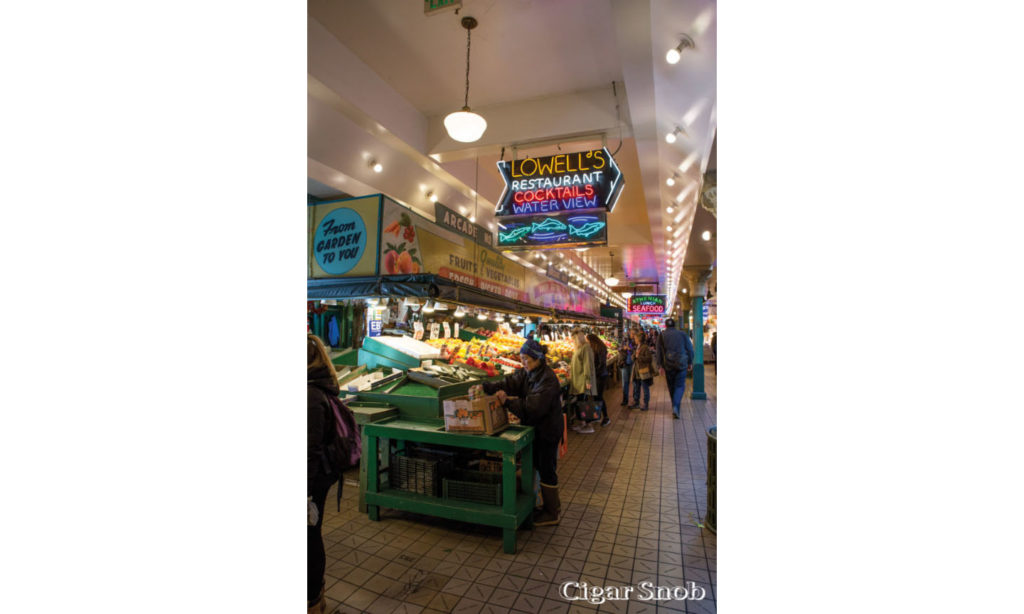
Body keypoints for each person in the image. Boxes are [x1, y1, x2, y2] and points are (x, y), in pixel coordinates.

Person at [472, 339, 563, 525]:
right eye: (521, 358)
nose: (523, 362)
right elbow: (510, 382)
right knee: (538, 464)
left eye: (527, 359)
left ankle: (552, 513)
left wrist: (507, 402)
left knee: (547, 468)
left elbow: (533, 407)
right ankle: (547, 505)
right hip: (536, 428)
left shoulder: (547, 379)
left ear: (537, 359)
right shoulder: (529, 373)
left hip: (548, 431)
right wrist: (486, 387)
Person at [307, 334, 343, 614]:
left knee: (308, 536)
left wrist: (305, 492)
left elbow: (310, 449)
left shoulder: (311, 395)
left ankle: (313, 600)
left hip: (312, 478)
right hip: (316, 475)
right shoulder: (319, 387)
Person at [656, 317, 695, 419]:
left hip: (668, 365)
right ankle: (676, 407)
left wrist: (660, 365)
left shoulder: (662, 335)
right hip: (682, 364)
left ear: (666, 325)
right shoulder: (682, 334)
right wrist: (690, 362)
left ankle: (675, 406)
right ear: (675, 325)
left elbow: (658, 352)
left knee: (671, 386)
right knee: (680, 386)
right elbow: (690, 349)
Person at [568, 328, 597, 433]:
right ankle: (582, 424)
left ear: (578, 339)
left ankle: (589, 426)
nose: (573, 342)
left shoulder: (586, 348)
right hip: (578, 382)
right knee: (580, 403)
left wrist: (588, 382)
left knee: (585, 404)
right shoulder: (579, 348)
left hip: (583, 382)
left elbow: (587, 365)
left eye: (574, 339)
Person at [587, 333, 611, 427]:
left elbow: (600, 364)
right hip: (599, 375)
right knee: (596, 397)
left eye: (588, 341)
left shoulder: (599, 349)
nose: (588, 343)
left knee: (599, 397)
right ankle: (597, 416)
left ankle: (606, 418)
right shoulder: (598, 347)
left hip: (600, 376)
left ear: (592, 341)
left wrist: (594, 372)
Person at [629, 329, 654, 410]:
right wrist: (633, 356)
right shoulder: (637, 346)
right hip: (636, 370)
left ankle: (646, 404)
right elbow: (634, 356)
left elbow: (649, 358)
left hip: (643, 371)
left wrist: (638, 357)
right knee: (636, 387)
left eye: (635, 338)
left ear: (639, 339)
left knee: (645, 388)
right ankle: (636, 402)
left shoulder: (645, 347)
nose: (634, 339)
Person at [619, 331, 635, 406]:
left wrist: (631, 349)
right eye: (632, 334)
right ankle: (625, 399)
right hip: (625, 363)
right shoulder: (625, 341)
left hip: (633, 364)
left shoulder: (636, 342)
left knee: (634, 382)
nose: (633, 335)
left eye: (634, 334)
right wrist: (623, 348)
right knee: (625, 383)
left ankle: (635, 400)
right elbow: (619, 348)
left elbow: (637, 352)